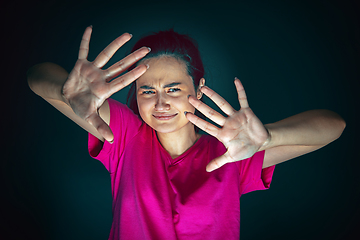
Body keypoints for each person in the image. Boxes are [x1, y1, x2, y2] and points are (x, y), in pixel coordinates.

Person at [27, 26, 346, 240]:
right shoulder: (125, 135)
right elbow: (36, 76)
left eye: (173, 88)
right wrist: (66, 91)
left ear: (200, 87)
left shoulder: (231, 151)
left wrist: (270, 137)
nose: (160, 103)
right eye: (147, 90)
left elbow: (334, 125)